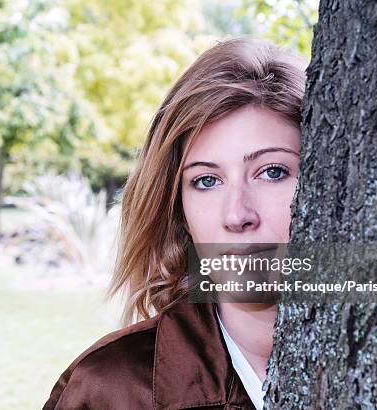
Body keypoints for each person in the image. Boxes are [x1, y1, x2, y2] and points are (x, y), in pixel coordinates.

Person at [43, 37, 306, 410]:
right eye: (206, 181)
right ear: (180, 213)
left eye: (272, 172)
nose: (236, 215)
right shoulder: (111, 389)